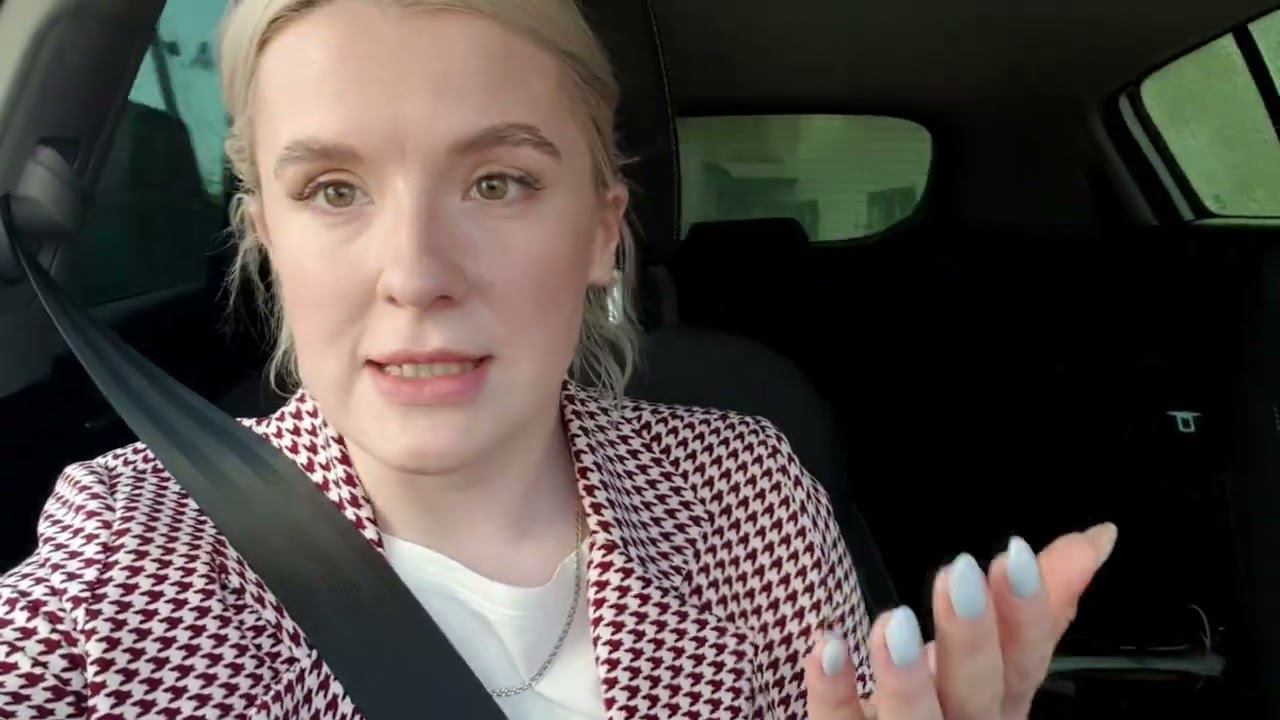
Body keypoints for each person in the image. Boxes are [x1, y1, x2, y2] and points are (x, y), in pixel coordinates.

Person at [0, 0, 1118, 717]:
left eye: (498, 183)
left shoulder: (747, 491)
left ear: (598, 232)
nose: (416, 273)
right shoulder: (124, 549)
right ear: (267, 240)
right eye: (333, 190)